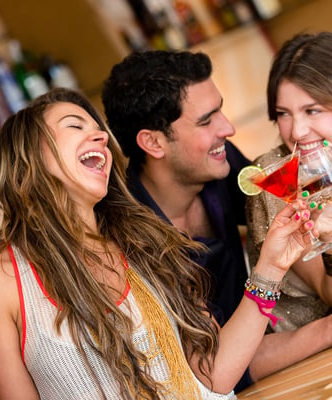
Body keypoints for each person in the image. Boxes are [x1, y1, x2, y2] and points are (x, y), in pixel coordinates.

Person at [0, 88, 314, 399]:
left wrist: (271, 267)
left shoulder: (144, 239)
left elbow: (215, 374)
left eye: (99, 128)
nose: (100, 136)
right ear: (31, 156)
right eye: (76, 126)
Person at [101, 49, 252, 390]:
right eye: (206, 120)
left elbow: (287, 215)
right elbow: (213, 368)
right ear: (153, 142)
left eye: (221, 111)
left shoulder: (220, 163)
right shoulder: (125, 239)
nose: (227, 128)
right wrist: (329, 330)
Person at [246, 31, 332, 379]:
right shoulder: (276, 178)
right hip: (327, 368)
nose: (297, 131)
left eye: (312, 110)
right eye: (283, 113)